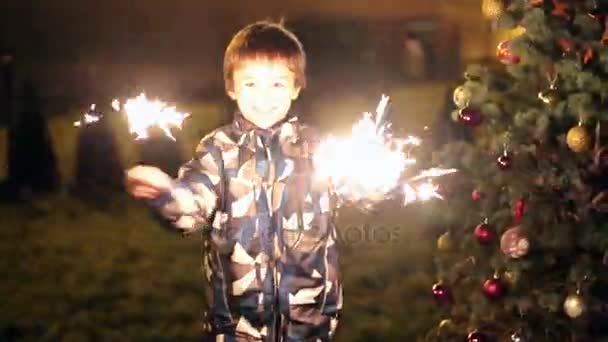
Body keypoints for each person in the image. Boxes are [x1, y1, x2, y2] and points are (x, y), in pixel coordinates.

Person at [126, 20, 342, 341]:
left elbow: (362, 192)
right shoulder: (218, 152)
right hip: (236, 329)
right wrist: (168, 196)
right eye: (251, 84)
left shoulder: (317, 149)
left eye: (278, 85)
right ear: (232, 88)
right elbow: (194, 202)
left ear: (297, 87)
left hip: (311, 326)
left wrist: (378, 179)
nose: (264, 97)